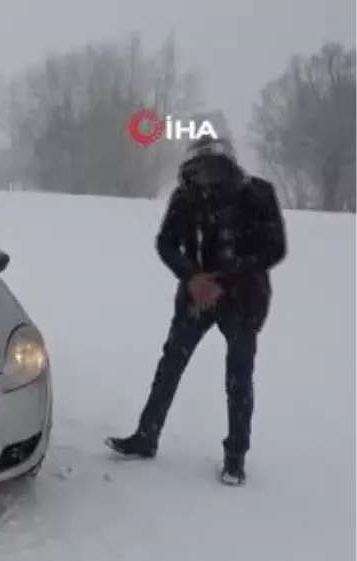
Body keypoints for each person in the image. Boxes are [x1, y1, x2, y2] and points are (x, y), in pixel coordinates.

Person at [106, 136, 287, 486]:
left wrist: (224, 278)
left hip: (243, 298)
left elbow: (274, 247)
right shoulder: (186, 196)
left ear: (226, 164)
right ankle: (146, 436)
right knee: (171, 362)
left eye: (209, 166)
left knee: (239, 376)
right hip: (196, 297)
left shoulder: (258, 194)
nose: (202, 175)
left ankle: (235, 458)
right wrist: (192, 277)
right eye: (196, 167)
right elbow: (166, 242)